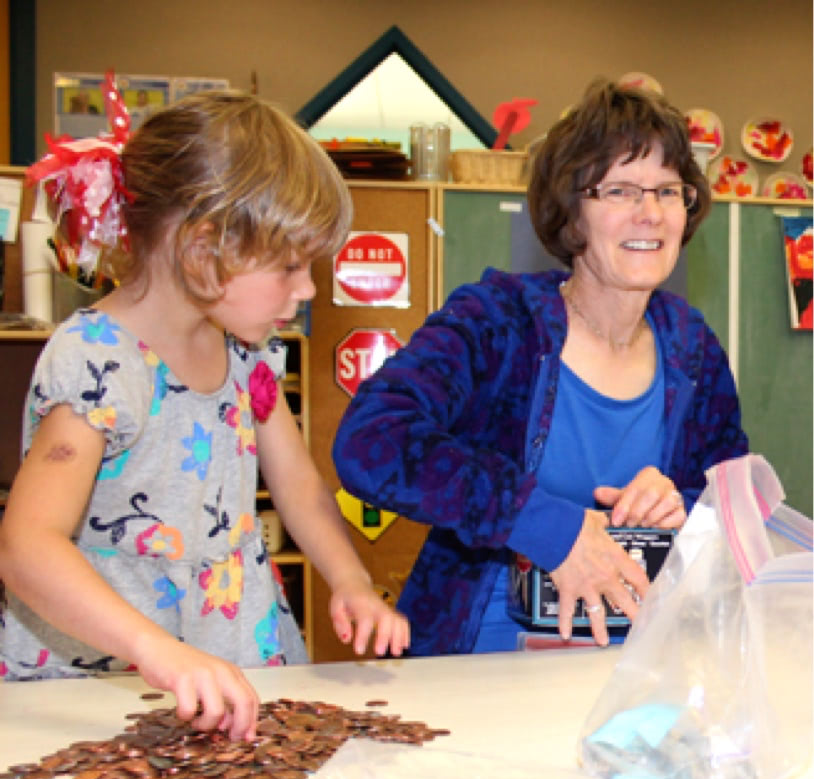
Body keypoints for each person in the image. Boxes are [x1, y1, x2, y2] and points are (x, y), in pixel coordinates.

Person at [0, 88, 409, 741]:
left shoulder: (248, 354)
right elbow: (27, 547)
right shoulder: (97, 360)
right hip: (103, 674)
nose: (307, 289)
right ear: (201, 250)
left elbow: (298, 486)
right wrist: (158, 651)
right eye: (289, 266)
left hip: (230, 651)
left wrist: (351, 579)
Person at [332, 79, 748, 656]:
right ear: (571, 212)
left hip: (639, 666)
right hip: (483, 665)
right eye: (620, 190)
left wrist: (682, 503)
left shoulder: (692, 347)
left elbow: (733, 511)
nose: (651, 213)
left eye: (668, 190)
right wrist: (545, 524)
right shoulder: (497, 321)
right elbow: (372, 440)